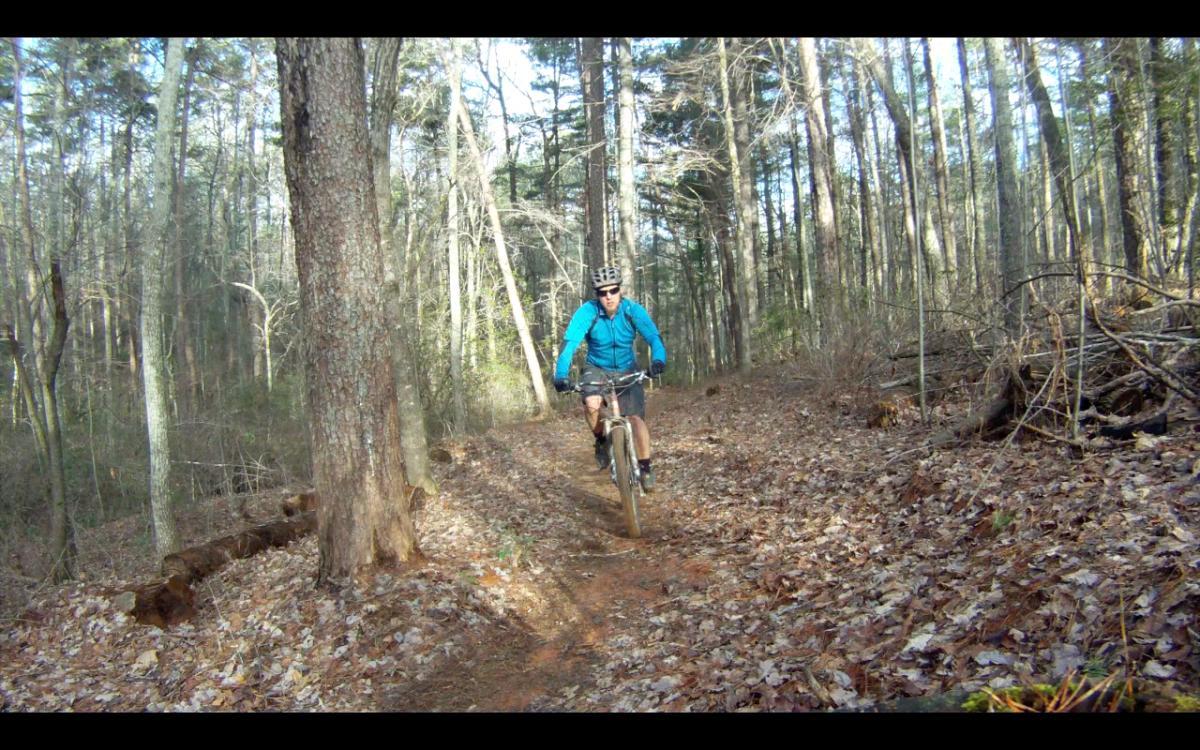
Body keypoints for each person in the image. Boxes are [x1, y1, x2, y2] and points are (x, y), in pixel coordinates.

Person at [553, 266, 666, 492]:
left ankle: (645, 468)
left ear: (619, 291)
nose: (608, 296)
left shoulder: (631, 310)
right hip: (597, 367)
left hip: (626, 367)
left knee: (634, 419)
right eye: (602, 292)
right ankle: (602, 441)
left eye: (613, 290)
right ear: (596, 295)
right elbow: (570, 343)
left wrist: (659, 360)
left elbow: (653, 336)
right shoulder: (588, 312)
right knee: (591, 402)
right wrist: (560, 375)